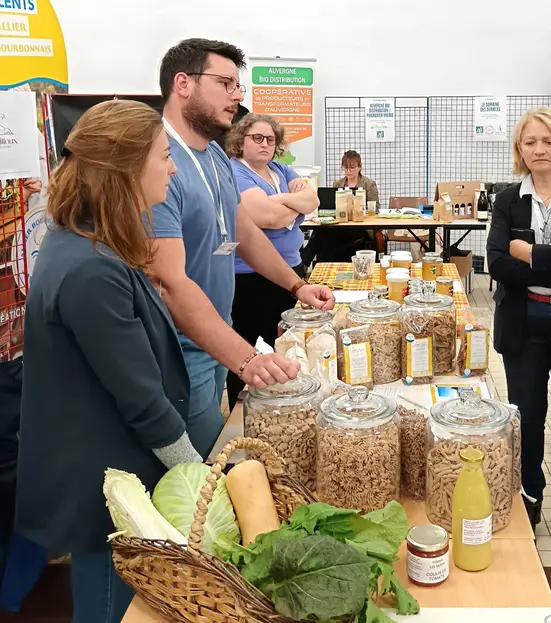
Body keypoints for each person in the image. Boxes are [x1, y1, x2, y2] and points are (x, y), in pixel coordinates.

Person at [15, 100, 205, 623]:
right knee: (108, 608)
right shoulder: (90, 269)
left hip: (106, 468)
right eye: (165, 156)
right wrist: (200, 479)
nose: (172, 167)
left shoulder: (90, 245)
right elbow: (142, 398)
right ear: (125, 169)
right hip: (99, 486)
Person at [150, 38, 333, 458]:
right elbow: (168, 283)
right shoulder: (155, 159)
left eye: (239, 84)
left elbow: (244, 233)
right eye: (226, 83)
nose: (238, 95)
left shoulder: (213, 156)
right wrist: (247, 359)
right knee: (197, 472)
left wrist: (296, 286)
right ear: (183, 83)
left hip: (217, 335)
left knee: (218, 451)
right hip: (177, 349)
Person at [486, 107, 551, 554]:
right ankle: (530, 496)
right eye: (530, 142)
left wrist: (533, 254)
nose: (540, 149)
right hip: (524, 321)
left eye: (548, 140)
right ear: (519, 150)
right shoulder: (508, 199)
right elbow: (497, 263)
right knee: (526, 418)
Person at [223, 113, 319, 410]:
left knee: (285, 343)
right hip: (250, 277)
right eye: (257, 138)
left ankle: (283, 402)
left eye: (271, 139)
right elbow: (268, 218)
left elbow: (313, 200)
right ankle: (242, 410)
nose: (265, 144)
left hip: (291, 270)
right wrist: (290, 206)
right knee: (248, 346)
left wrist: (278, 204)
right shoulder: (234, 172)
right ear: (240, 141)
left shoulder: (281, 169)